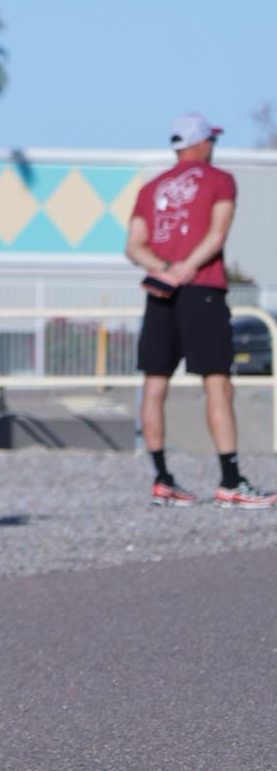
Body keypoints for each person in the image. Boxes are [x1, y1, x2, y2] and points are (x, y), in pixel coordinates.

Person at [126, 114, 275, 507]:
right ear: (203, 143)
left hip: (160, 291)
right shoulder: (219, 180)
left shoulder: (151, 187)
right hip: (202, 290)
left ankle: (162, 479)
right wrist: (185, 269)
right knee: (217, 382)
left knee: (154, 384)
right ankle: (231, 480)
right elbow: (217, 234)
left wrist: (164, 270)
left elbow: (134, 245)